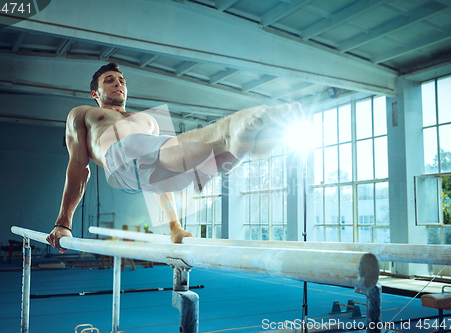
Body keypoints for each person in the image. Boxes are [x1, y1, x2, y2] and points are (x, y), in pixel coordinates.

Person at [46, 63, 303, 253]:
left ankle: (235, 150)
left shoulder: (148, 120)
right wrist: (63, 223)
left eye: (122, 80)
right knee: (150, 146)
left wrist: (174, 227)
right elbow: (79, 166)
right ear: (95, 93)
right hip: (120, 158)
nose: (118, 84)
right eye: (110, 80)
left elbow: (163, 173)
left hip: (154, 168)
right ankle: (228, 134)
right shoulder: (83, 112)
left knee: (185, 168)